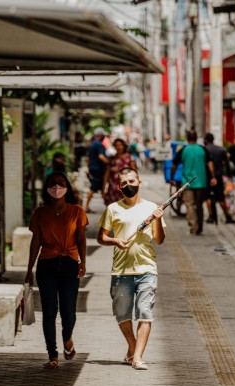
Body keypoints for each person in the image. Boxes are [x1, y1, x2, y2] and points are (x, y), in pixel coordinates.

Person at [97, 167, 165, 370]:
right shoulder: (113, 209)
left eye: (132, 181)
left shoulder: (152, 208)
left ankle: (137, 357)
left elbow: (160, 240)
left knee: (145, 312)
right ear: (119, 186)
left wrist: (158, 219)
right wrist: (115, 241)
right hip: (121, 270)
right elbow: (101, 237)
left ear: (139, 182)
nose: (128, 186)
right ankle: (133, 348)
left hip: (147, 268)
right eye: (124, 183)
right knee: (122, 315)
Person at [25, 172, 89, 369]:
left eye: (60, 184)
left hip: (70, 263)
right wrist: (29, 269)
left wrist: (83, 262)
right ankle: (52, 355)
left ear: (67, 187)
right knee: (49, 312)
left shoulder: (77, 211)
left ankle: (67, 337)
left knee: (69, 312)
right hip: (47, 265)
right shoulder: (39, 213)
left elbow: (81, 238)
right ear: (46, 189)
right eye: (52, 184)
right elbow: (35, 241)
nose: (56, 187)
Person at [174, 130, 213, 235]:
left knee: (190, 205)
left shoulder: (183, 150)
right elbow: (210, 164)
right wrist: (213, 177)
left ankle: (193, 227)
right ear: (196, 138)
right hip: (201, 182)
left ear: (187, 139)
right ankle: (200, 227)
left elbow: (174, 165)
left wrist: (172, 178)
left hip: (187, 182)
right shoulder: (202, 149)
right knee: (199, 205)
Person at [204, 133, 235, 224]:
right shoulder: (221, 149)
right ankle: (227, 216)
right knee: (221, 198)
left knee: (208, 197)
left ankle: (210, 216)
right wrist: (229, 175)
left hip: (207, 177)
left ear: (205, 140)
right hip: (218, 176)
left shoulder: (204, 149)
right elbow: (227, 164)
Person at [104, 138, 137, 206]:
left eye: (120, 145)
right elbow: (107, 174)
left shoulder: (129, 158)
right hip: (112, 189)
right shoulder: (112, 159)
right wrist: (103, 188)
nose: (118, 147)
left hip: (125, 188)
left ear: (124, 146)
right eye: (116, 145)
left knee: (126, 208)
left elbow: (134, 173)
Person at [85, 127, 109, 213]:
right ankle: (86, 207)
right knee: (95, 187)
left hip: (93, 168)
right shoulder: (99, 145)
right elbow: (101, 156)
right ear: (100, 135)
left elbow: (87, 159)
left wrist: (89, 168)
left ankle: (108, 206)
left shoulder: (92, 144)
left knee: (99, 187)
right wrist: (109, 162)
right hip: (98, 169)